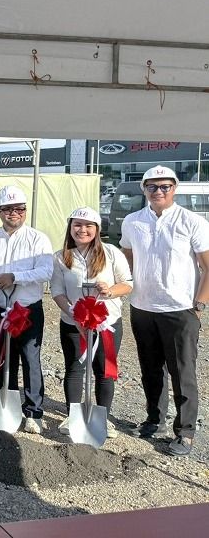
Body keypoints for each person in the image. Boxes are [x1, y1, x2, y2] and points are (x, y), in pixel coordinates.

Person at [121, 165, 209, 456]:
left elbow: (207, 266)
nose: (158, 192)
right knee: (149, 369)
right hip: (142, 306)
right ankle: (154, 420)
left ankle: (185, 433)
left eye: (165, 187)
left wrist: (199, 304)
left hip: (180, 308)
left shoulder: (191, 221)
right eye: (152, 187)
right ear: (144, 189)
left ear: (175, 188)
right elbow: (128, 259)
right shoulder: (133, 222)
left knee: (182, 371)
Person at [51, 207, 132, 439]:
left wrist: (109, 291)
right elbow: (57, 291)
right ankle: (73, 415)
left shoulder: (111, 253)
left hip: (106, 323)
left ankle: (102, 417)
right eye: (77, 225)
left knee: (103, 371)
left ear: (97, 229)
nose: (82, 230)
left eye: (88, 226)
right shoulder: (61, 257)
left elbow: (127, 284)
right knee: (75, 368)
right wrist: (74, 313)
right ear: (70, 228)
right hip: (73, 323)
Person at [0, 185, 53, 434]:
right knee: (2, 357)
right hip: (0, 308)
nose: (14, 213)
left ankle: (34, 411)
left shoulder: (38, 238)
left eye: (19, 209)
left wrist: (15, 276)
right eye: (8, 209)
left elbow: (46, 270)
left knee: (31, 359)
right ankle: (6, 402)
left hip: (27, 309)